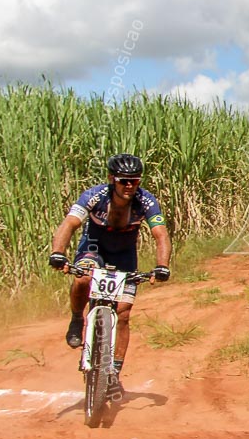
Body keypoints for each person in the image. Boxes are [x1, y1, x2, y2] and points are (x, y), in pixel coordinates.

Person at [48, 153, 172, 395]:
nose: (129, 186)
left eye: (134, 181)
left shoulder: (146, 201)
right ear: (111, 179)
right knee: (83, 277)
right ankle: (76, 318)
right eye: (123, 181)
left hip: (124, 254)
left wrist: (162, 266)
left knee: (124, 314)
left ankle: (114, 370)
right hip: (94, 247)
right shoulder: (95, 196)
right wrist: (58, 253)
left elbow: (161, 234)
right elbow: (70, 223)